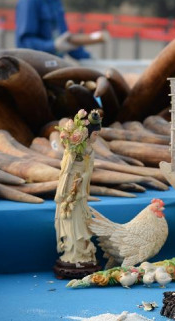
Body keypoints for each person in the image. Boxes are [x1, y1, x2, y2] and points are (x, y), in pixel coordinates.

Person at [54, 109, 102, 277]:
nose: (96, 138)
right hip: (69, 187)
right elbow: (66, 168)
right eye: (95, 134)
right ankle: (72, 253)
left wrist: (82, 179)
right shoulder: (73, 150)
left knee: (80, 219)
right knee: (69, 217)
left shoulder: (90, 151)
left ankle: (82, 253)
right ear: (86, 134)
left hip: (80, 190)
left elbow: (88, 171)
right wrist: (72, 180)